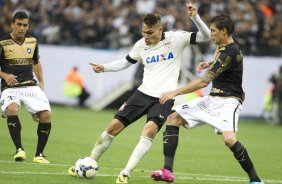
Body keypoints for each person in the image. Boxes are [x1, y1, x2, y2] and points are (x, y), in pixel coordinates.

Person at [68, 2, 210, 183]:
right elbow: (126, 62)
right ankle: (90, 162)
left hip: (163, 98)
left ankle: (125, 173)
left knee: (148, 131)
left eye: (150, 33)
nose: (146, 36)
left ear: (160, 29)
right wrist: (104, 67)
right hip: (142, 94)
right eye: (143, 32)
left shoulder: (176, 39)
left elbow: (205, 37)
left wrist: (195, 18)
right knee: (112, 128)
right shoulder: (140, 45)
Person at [151, 14, 264, 184]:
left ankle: (255, 180)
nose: (210, 34)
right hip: (213, 99)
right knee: (173, 119)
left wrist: (174, 92)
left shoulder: (230, 52)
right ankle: (167, 171)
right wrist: (210, 63)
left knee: (229, 140)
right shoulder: (223, 46)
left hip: (229, 101)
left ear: (224, 32)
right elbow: (222, 63)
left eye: (213, 31)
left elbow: (203, 82)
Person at [0, 10, 52, 164]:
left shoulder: (32, 42)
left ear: (28, 26)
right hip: (10, 87)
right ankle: (19, 150)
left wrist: (41, 80)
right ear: (12, 25)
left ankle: (39, 155)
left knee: (46, 115)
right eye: (19, 24)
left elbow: (35, 62)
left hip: (30, 85)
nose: (22, 28)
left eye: (25, 25)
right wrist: (4, 75)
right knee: (12, 109)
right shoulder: (3, 44)